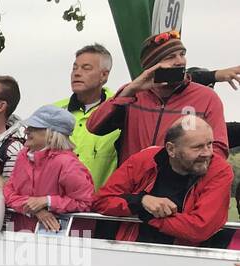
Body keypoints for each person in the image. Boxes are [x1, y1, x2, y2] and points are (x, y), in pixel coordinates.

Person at [86, 31, 231, 164]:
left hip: (181, 188)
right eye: (170, 57)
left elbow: (218, 149)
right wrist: (128, 91)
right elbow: (94, 127)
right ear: (152, 66)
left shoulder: (206, 97)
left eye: (182, 54)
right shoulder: (132, 94)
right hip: (133, 186)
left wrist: (191, 178)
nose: (180, 61)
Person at [93, 116, 232, 247]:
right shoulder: (144, 160)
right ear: (171, 149)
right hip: (132, 250)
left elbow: (200, 228)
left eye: (209, 144)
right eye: (197, 147)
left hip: (186, 260)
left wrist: (146, 213)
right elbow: (101, 201)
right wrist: (141, 201)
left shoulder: (219, 170)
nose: (207, 153)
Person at [2, 105, 94, 233]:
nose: (26, 131)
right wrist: (35, 209)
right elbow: (8, 192)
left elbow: (85, 203)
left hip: (60, 241)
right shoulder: (23, 156)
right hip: (20, 235)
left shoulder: (68, 164)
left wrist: (48, 201)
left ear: (51, 134)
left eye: (33, 128)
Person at [55, 44, 121, 189]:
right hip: (56, 206)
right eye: (74, 68)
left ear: (104, 75)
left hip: (101, 207)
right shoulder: (55, 111)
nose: (77, 73)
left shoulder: (121, 110)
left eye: (86, 68)